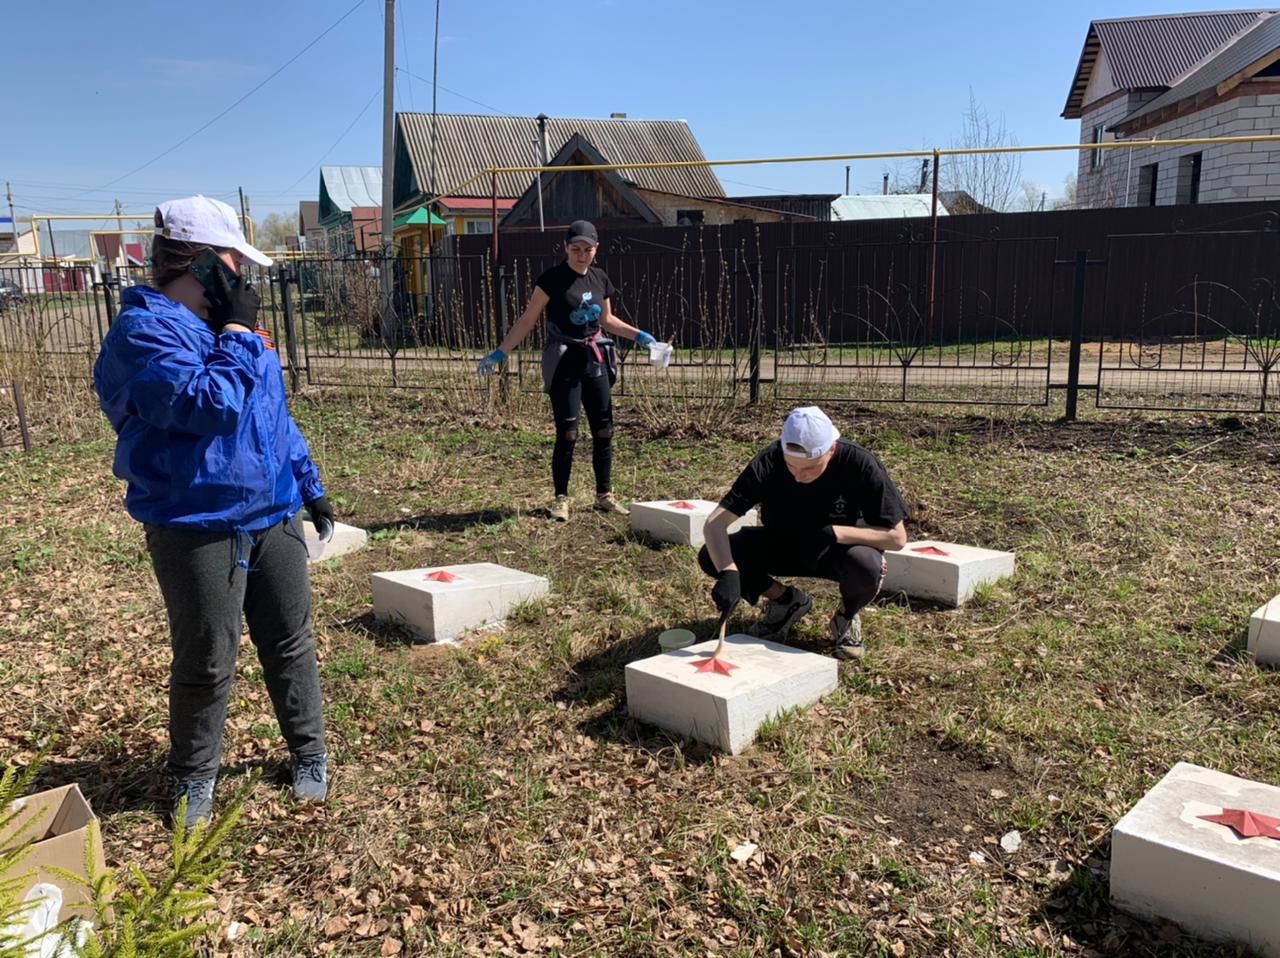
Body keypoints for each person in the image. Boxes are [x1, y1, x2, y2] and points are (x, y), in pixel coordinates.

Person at [93, 195, 331, 827]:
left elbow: (270, 415)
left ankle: (309, 752)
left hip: (272, 513)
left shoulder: (234, 332)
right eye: (232, 262)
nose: (242, 278)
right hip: (195, 524)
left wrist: (308, 483)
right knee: (206, 655)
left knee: (290, 641)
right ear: (200, 264)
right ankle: (194, 776)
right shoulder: (142, 334)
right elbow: (208, 408)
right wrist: (236, 336)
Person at [477, 220, 659, 521]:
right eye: (575, 249)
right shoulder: (551, 280)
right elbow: (527, 320)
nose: (581, 254)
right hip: (564, 362)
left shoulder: (600, 279)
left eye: (587, 249)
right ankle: (561, 499)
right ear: (566, 248)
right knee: (568, 433)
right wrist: (500, 352)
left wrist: (640, 335)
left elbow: (609, 320)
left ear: (595, 249)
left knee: (604, 429)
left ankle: (604, 495)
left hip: (595, 360)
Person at [699, 406, 908, 660]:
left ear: (831, 450)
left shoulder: (859, 464)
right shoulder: (770, 460)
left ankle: (846, 615)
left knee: (868, 565)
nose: (798, 476)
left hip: (833, 551)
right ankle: (786, 601)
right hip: (781, 544)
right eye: (791, 467)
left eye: (809, 468)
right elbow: (714, 524)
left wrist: (836, 533)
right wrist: (729, 572)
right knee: (712, 556)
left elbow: (897, 538)